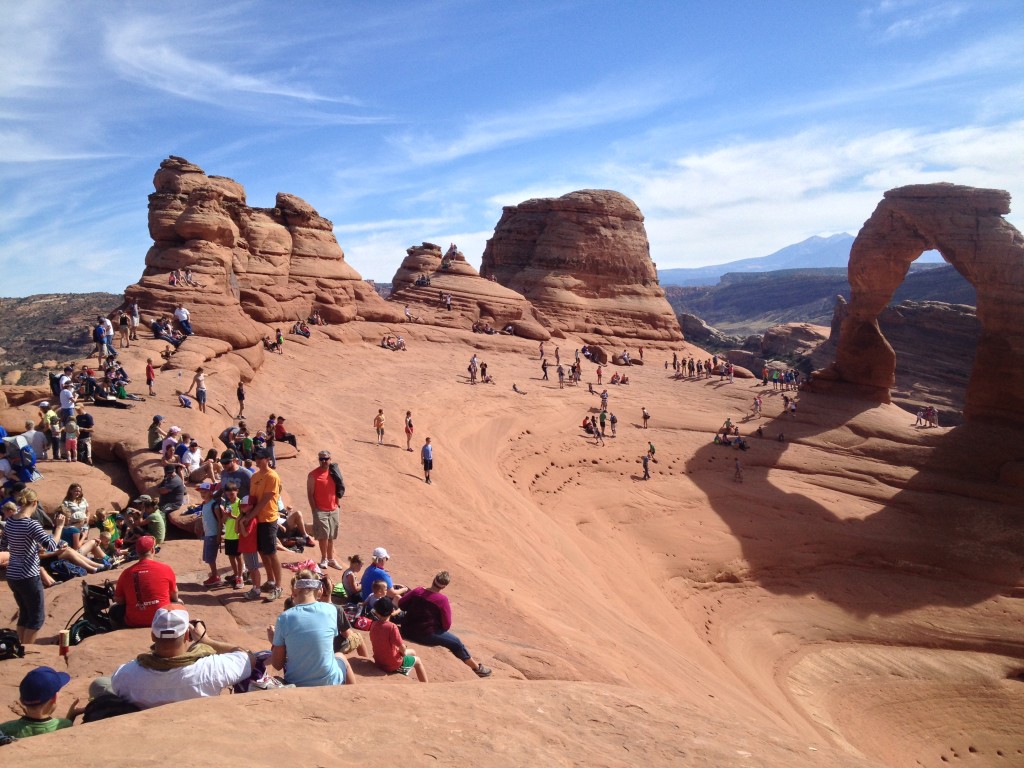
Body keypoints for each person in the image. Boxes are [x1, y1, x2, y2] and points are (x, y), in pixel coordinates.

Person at [107, 604, 253, 709]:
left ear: (153, 635)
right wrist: (206, 640)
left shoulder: (125, 674)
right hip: (198, 724)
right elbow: (247, 658)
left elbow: (116, 683)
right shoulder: (211, 668)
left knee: (100, 684)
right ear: (187, 635)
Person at [267, 570, 355, 687]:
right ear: (320, 591)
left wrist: (274, 642)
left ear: (294, 592)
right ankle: (352, 694)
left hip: (296, 682)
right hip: (329, 681)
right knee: (339, 656)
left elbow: (277, 664)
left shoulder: (284, 618)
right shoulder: (331, 610)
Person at [399, 571, 492, 678]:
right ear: (444, 586)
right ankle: (476, 668)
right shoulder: (442, 600)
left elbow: (401, 604)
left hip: (407, 629)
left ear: (433, 580)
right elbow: (446, 625)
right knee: (456, 643)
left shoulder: (418, 591)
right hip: (426, 634)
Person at [0, 488, 64, 644]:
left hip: (13, 575)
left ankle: (19, 647)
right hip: (28, 575)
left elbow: (4, 545)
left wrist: (33, 547)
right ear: (35, 503)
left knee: (25, 614)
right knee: (36, 618)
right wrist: (60, 526)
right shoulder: (31, 524)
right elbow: (51, 545)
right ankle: (27, 650)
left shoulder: (10, 522)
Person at [0, 666, 86, 739]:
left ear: (22, 700)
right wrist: (71, 716)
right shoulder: (64, 724)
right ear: (54, 698)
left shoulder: (5, 729)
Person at [111, 535, 178, 628]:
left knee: (113, 609)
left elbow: (119, 600)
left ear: (137, 552)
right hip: (163, 619)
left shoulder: (126, 573)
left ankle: (114, 631)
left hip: (134, 621)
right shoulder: (165, 568)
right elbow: (174, 595)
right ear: (152, 550)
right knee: (179, 603)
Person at [245, 448, 284, 600]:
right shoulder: (254, 476)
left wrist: (250, 516)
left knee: (271, 552)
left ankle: (279, 587)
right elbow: (253, 499)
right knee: (262, 551)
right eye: (256, 457)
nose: (258, 460)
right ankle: (270, 581)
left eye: (261, 458)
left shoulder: (272, 476)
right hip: (257, 519)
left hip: (268, 519)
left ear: (268, 459)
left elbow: (265, 500)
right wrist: (246, 514)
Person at [369, 598, 428, 682]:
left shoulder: (373, 624)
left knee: (413, 652)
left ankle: (404, 672)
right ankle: (426, 685)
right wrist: (402, 654)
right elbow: (402, 648)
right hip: (392, 664)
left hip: (379, 661)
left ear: (377, 613)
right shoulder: (392, 627)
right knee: (418, 661)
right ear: (392, 611)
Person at [308, 449, 344, 570]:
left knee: (331, 536)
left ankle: (331, 559)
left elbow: (338, 489)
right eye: (321, 459)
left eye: (326, 459)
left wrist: (337, 505)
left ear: (330, 459)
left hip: (333, 508)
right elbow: (310, 494)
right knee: (323, 536)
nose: (324, 461)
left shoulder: (334, 473)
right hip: (320, 510)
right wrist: (315, 510)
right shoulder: (313, 475)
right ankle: (324, 559)